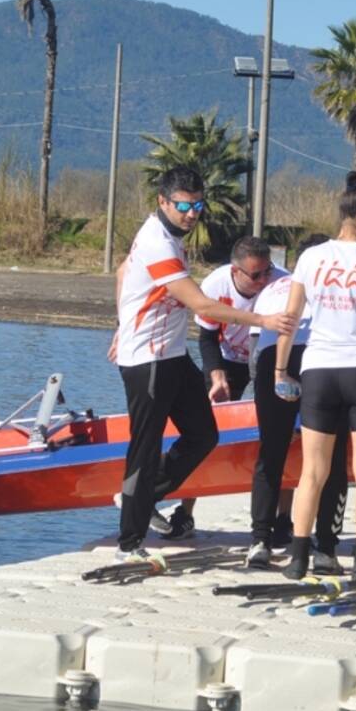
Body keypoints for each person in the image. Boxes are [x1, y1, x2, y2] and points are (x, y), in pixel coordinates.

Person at [109, 166, 295, 564]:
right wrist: (263, 321)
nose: (192, 213)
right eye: (183, 206)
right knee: (144, 448)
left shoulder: (171, 236)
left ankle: (141, 495)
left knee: (204, 434)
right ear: (162, 202)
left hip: (173, 355)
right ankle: (131, 543)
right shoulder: (158, 242)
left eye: (198, 205)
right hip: (149, 360)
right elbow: (203, 306)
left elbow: (124, 271)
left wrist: (120, 323)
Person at [273, 172, 356, 581]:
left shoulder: (310, 258)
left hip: (318, 369)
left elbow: (291, 318)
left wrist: (281, 370)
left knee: (312, 471)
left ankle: (298, 558)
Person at [154, 237, 285, 540]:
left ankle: (282, 519)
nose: (264, 280)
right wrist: (216, 375)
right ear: (235, 271)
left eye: (267, 271)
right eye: (256, 275)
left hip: (268, 356)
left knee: (280, 433)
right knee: (205, 436)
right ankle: (185, 514)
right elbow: (207, 338)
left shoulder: (281, 282)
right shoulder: (215, 285)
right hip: (227, 360)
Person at [246, 233, 352, 573]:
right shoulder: (339, 283)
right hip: (321, 362)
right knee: (331, 457)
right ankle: (325, 548)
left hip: (273, 361)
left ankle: (260, 541)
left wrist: (271, 382)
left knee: (271, 452)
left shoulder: (275, 287)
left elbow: (254, 346)